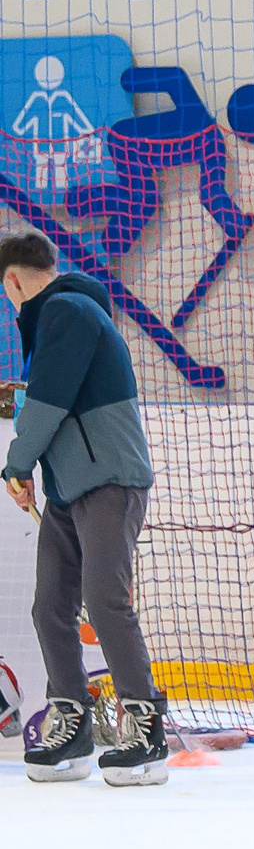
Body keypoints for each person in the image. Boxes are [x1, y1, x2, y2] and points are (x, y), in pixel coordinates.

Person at [2, 227, 169, 786]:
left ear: (12, 282)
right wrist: (34, 470)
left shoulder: (66, 311)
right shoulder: (61, 314)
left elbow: (47, 402)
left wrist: (17, 465)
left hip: (109, 485)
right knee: (49, 606)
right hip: (70, 490)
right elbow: (54, 407)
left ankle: (145, 730)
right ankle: (70, 721)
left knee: (104, 602)